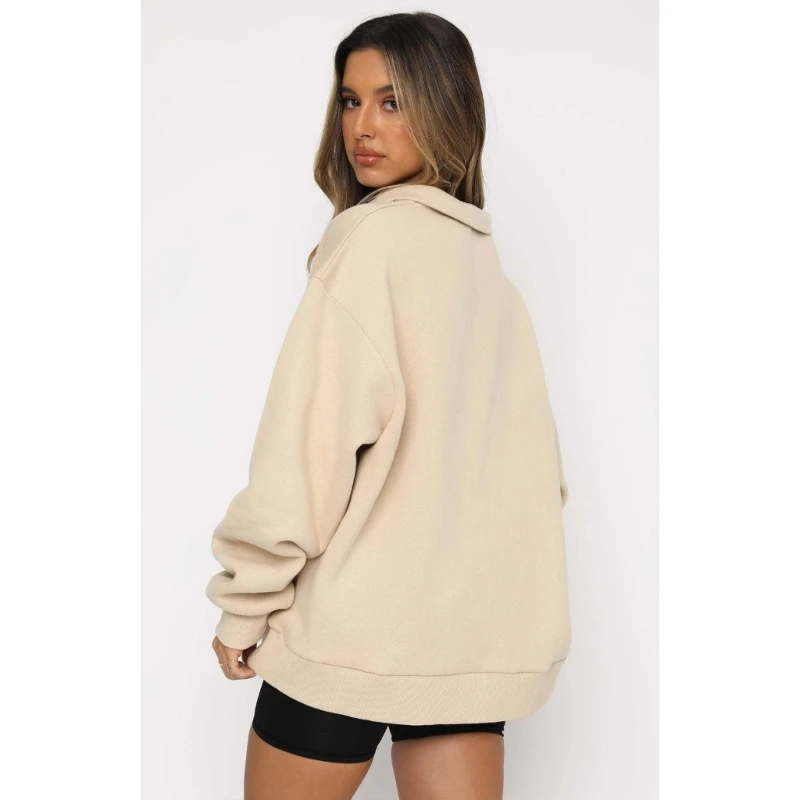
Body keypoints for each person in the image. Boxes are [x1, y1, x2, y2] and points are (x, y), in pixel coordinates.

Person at [205, 11, 570, 800]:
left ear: (446, 108)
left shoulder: (371, 247)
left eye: (392, 101)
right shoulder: (491, 277)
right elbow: (539, 478)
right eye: (350, 100)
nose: (362, 127)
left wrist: (245, 603)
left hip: (355, 640)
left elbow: (306, 456)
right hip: (466, 648)